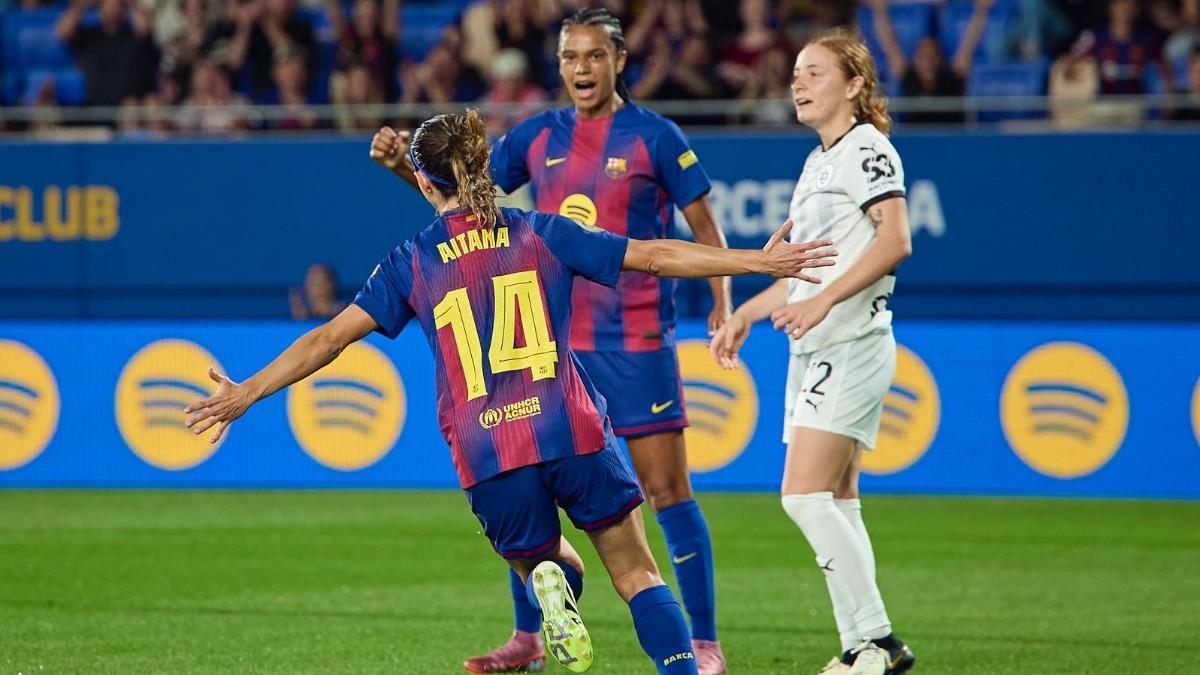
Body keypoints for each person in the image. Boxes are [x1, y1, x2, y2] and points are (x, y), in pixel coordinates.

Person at [183, 109, 837, 675]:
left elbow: (327, 339)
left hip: (487, 450)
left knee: (544, 558)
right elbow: (658, 255)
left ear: (422, 179)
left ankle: (547, 576)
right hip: (569, 427)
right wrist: (757, 262)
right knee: (638, 572)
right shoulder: (540, 230)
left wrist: (247, 392)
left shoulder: (410, 259)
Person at [371, 8, 736, 673]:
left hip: (634, 335)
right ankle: (532, 636)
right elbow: (463, 202)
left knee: (666, 489)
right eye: (570, 57)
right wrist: (409, 168)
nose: (580, 69)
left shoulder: (656, 137)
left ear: (619, 60)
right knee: (534, 463)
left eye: (594, 56)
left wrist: (723, 304)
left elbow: (700, 227)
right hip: (550, 333)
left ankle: (704, 640)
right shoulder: (537, 135)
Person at [710, 28, 916, 675]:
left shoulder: (867, 150)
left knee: (802, 496)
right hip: (820, 346)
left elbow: (895, 241)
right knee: (839, 497)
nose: (798, 82)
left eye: (815, 73)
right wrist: (746, 310)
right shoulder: (817, 163)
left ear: (855, 85)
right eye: (796, 73)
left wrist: (822, 303)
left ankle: (877, 641)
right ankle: (864, 645)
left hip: (851, 343)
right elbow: (810, 273)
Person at [870, 0, 993, 125]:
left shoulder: (952, 77)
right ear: (915, 59)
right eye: (922, 56)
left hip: (952, 139)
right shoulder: (909, 77)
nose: (927, 61)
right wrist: (880, 10)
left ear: (939, 58)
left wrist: (981, 10)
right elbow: (890, 45)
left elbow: (969, 45)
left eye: (931, 56)